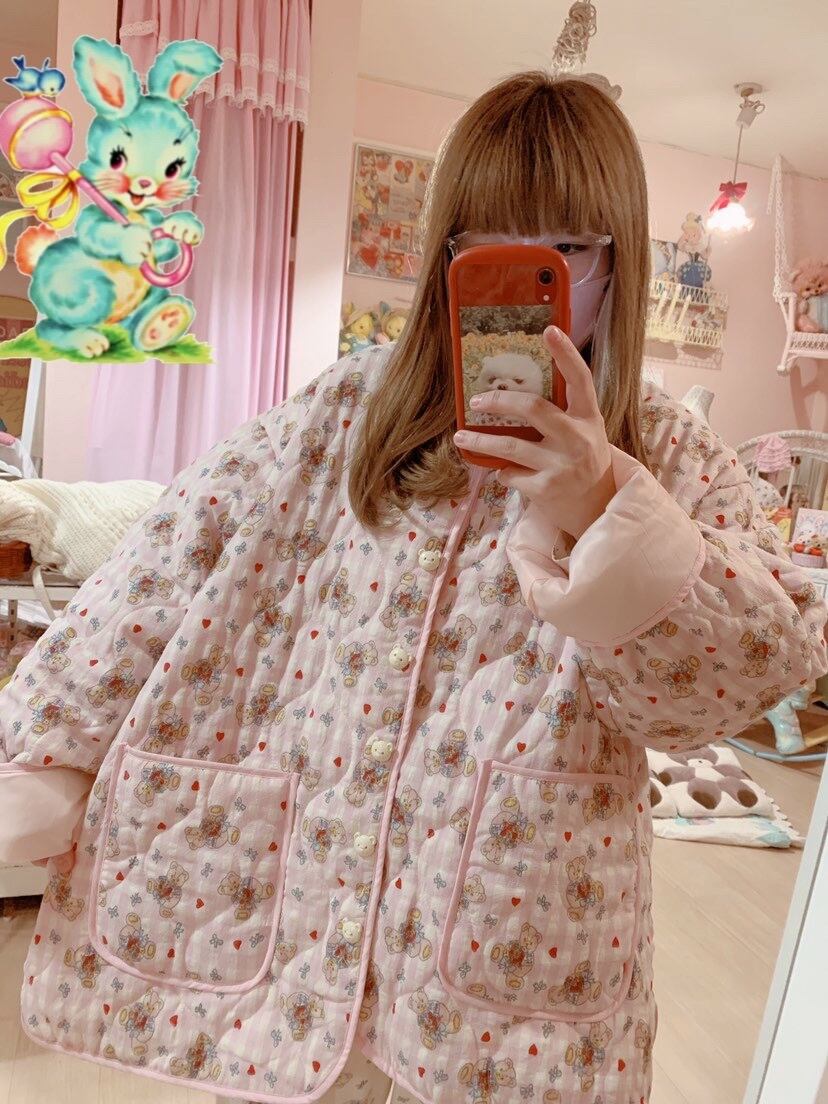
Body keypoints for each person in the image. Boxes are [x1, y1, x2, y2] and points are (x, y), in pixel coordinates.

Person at [1, 71, 825, 1104]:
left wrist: (605, 506)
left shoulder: (666, 453)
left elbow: (734, 685)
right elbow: (166, 563)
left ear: (616, 260)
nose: (519, 285)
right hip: (302, 908)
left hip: (514, 924)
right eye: (483, 251)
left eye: (562, 251)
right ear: (443, 259)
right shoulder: (344, 415)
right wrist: (45, 747)